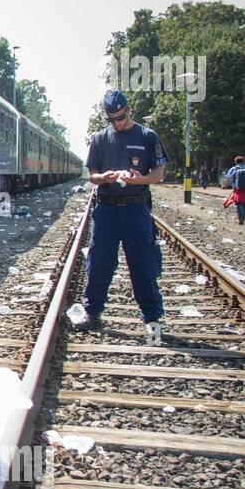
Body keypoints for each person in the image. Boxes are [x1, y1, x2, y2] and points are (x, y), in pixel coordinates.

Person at [81, 90, 168, 341]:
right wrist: (104, 177)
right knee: (98, 263)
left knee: (143, 264)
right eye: (111, 119)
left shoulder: (147, 136)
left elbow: (158, 173)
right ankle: (92, 311)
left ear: (128, 110)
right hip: (106, 208)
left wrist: (142, 179)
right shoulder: (99, 139)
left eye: (120, 117)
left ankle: (151, 318)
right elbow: (91, 174)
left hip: (136, 208)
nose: (116, 123)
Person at [221, 155, 245, 226]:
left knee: (239, 203)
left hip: (237, 189)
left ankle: (240, 218)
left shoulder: (234, 169)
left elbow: (229, 178)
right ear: (243, 161)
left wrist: (225, 185)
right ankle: (243, 217)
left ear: (236, 162)